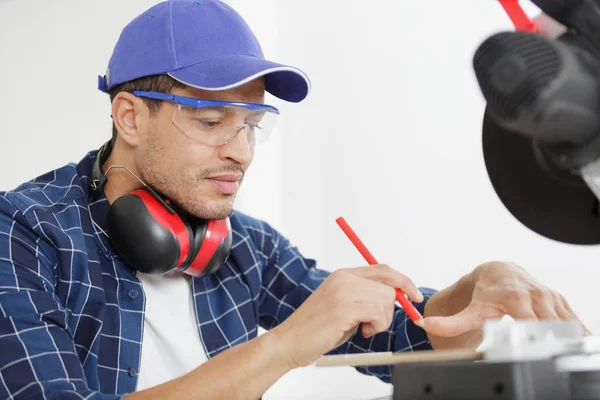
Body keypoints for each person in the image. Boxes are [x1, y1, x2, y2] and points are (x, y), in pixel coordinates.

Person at [0, 1, 588, 399]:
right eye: (210, 121)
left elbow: (406, 341)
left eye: (253, 122)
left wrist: (477, 288)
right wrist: (284, 345)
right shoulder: (21, 234)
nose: (242, 152)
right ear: (129, 116)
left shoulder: (244, 244)